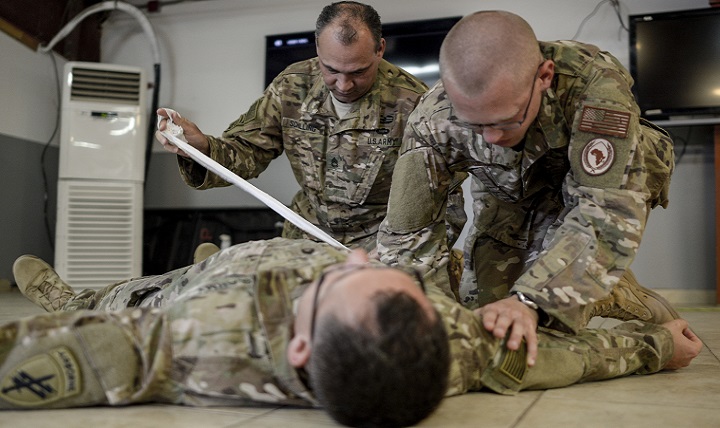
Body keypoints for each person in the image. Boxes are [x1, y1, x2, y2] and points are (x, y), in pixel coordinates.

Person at [5, 239, 701, 427]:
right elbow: (566, 360)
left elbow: (63, 359)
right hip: (265, 256)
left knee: (120, 296)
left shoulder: (196, 343)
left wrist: (68, 324)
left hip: (195, 290)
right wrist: (659, 347)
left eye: (342, 279)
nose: (358, 258)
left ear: (299, 350)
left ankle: (68, 293)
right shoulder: (452, 348)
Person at [377, 11, 680, 365]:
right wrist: (423, 314)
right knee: (494, 331)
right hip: (506, 195)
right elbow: (409, 233)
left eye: (506, 121)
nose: (492, 137)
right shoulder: (432, 117)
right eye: (476, 125)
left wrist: (533, 301)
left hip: (588, 190)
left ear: (544, 77)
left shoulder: (593, 84)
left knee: (546, 322)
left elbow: (605, 213)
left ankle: (616, 292)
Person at [155, 2, 466, 268]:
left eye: (358, 72)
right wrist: (202, 147)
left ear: (380, 49)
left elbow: (444, 196)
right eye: (332, 70)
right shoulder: (292, 86)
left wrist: (409, 258)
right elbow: (246, 151)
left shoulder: (414, 103)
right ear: (317, 47)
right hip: (306, 235)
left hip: (380, 248)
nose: (343, 85)